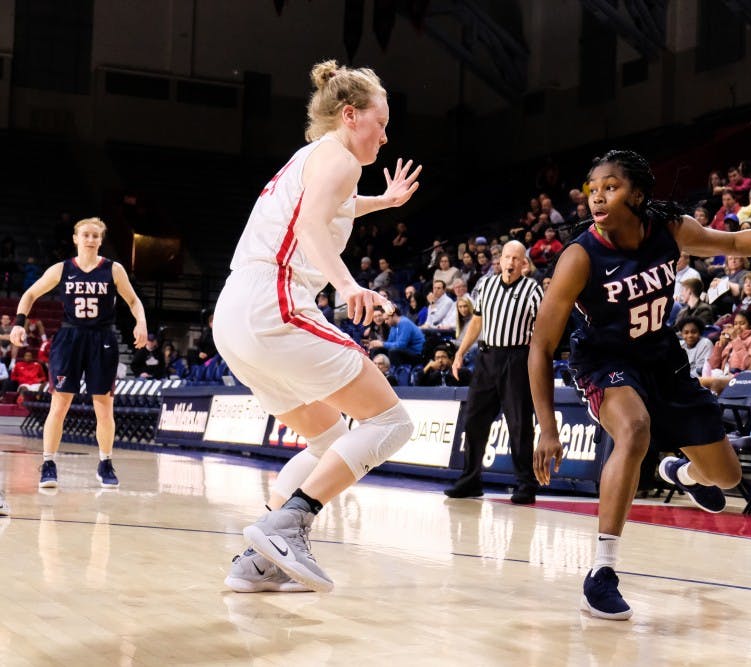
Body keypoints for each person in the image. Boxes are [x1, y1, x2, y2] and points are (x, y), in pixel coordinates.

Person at [528, 150, 751, 620]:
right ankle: (601, 572)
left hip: (662, 359)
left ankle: (679, 473)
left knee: (726, 478)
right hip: (605, 361)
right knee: (634, 429)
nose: (599, 197)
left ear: (638, 195)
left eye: (611, 187)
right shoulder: (580, 257)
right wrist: (547, 428)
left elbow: (734, 243)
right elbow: (541, 346)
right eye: (594, 189)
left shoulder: (667, 228)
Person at [213, 59, 421, 594]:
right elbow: (310, 226)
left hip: (234, 313)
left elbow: (333, 208)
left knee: (328, 439)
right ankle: (288, 524)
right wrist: (348, 285)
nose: (386, 133)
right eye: (381, 121)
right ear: (350, 116)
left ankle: (256, 563)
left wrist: (387, 201)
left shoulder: (314, 157)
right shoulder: (342, 160)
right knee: (391, 423)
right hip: (272, 303)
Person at [9, 217, 147, 490]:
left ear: (101, 239)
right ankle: (48, 463)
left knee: (104, 407)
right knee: (59, 405)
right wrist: (18, 323)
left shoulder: (113, 269)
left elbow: (133, 300)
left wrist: (141, 322)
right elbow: (29, 294)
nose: (91, 239)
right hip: (70, 337)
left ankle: (105, 462)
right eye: (86, 235)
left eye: (96, 235)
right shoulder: (61, 269)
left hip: (102, 339)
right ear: (75, 238)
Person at [444, 241, 543, 504]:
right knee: (474, 421)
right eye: (507, 257)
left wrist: (536, 360)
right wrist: (460, 352)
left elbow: (542, 329)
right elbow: (477, 321)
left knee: (520, 424)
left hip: (517, 359)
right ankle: (470, 480)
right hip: (487, 358)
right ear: (499, 260)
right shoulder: (485, 286)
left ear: (524, 263)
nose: (510, 263)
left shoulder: (532, 290)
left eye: (516, 259)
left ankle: (525, 484)